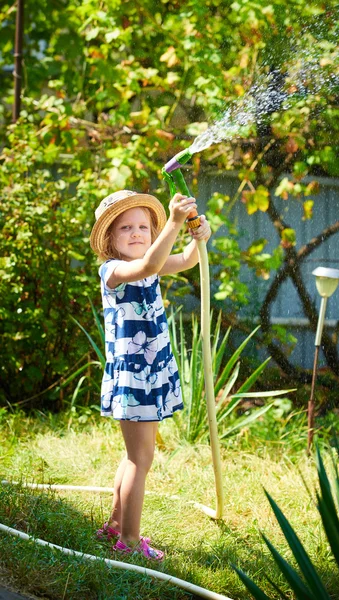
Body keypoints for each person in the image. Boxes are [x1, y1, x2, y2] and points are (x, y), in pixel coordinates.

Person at [89, 189, 211, 561]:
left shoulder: (148, 261)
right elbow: (146, 267)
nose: (137, 233)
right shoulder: (115, 270)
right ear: (109, 239)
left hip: (148, 372)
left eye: (144, 226)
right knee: (140, 461)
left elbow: (188, 261)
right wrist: (172, 223)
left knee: (132, 458)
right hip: (135, 379)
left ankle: (114, 526)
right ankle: (128, 540)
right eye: (126, 228)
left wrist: (198, 235)